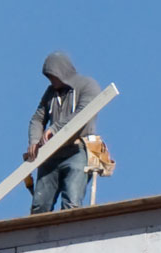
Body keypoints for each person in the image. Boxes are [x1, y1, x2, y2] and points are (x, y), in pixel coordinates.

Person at [27, 52, 101, 214]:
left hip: (76, 150)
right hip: (51, 154)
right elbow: (37, 118)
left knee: (72, 202)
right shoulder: (50, 93)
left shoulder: (87, 85)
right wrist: (34, 140)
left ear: (62, 71)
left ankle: (68, 236)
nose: (51, 81)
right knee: (40, 206)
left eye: (53, 76)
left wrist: (54, 129)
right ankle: (40, 237)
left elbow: (83, 114)